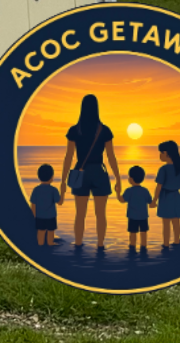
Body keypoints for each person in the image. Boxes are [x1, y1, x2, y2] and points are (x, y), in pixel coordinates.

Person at [58, 93, 122, 249]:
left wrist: (63, 180)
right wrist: (118, 178)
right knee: (101, 214)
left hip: (81, 172)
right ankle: (100, 245)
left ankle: (78, 243)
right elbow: (111, 156)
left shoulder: (75, 130)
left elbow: (69, 157)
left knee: (80, 214)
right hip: (99, 173)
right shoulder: (104, 130)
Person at [155, 139, 180, 248]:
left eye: (161, 152)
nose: (160, 155)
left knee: (166, 223)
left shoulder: (163, 169)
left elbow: (159, 186)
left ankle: (165, 244)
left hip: (166, 197)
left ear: (166, 153)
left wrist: (154, 200)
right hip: (176, 197)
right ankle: (177, 241)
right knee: (176, 221)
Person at [30, 163, 62, 247]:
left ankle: (40, 243)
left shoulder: (36, 190)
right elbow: (59, 202)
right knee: (51, 231)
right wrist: (62, 192)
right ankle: (50, 243)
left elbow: (33, 204)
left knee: (40, 231)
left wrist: (34, 215)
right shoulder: (53, 190)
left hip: (39, 216)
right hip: (51, 216)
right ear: (52, 177)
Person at [121, 166, 152, 252]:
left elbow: (122, 200)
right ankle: (143, 247)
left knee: (133, 233)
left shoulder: (129, 191)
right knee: (143, 232)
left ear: (131, 179)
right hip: (143, 216)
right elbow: (150, 201)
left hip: (132, 216)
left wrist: (117, 193)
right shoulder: (145, 190)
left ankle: (132, 247)